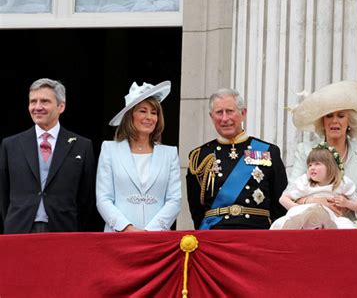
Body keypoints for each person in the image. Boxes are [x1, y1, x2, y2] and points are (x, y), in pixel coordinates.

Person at [0, 78, 96, 234]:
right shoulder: (10, 145)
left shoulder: (82, 146)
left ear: (61, 106)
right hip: (19, 230)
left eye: (44, 101)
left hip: (64, 231)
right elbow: (3, 195)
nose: (37, 107)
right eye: (33, 101)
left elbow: (86, 198)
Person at [186, 88, 287, 229]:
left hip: (257, 232)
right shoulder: (200, 155)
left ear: (243, 113)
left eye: (230, 111)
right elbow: (196, 208)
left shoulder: (269, 151)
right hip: (216, 234)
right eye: (219, 112)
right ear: (211, 116)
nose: (225, 118)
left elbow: (280, 203)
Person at [96, 81, 181, 232]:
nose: (149, 117)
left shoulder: (170, 154)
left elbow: (174, 200)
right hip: (118, 236)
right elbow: (104, 198)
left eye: (154, 112)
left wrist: (150, 232)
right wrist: (127, 229)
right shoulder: (109, 149)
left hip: (157, 239)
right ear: (130, 115)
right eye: (143, 111)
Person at [289, 80, 357, 222]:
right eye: (329, 116)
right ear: (322, 122)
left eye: (341, 116)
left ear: (349, 121)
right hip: (313, 226)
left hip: (349, 227)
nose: (334, 121)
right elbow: (290, 192)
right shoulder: (305, 150)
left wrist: (349, 204)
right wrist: (313, 200)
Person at [271, 143, 357, 229]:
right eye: (310, 165)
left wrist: (347, 203)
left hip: (332, 221)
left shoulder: (342, 183)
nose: (312, 167)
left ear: (330, 166)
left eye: (317, 164)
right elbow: (283, 199)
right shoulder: (305, 182)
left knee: (346, 225)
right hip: (306, 221)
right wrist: (299, 209)